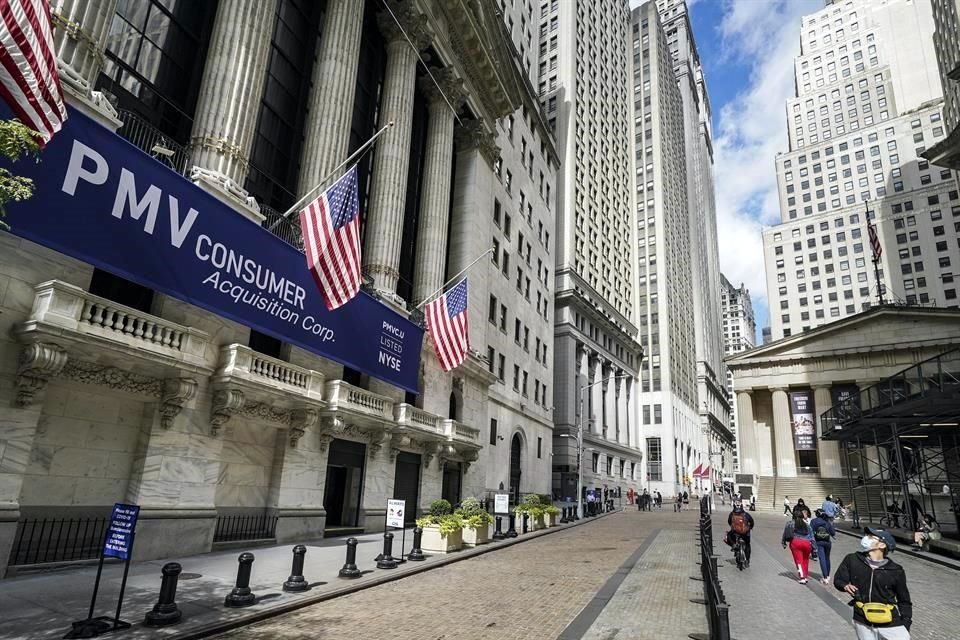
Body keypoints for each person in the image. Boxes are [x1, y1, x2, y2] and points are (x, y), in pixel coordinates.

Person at [834, 527, 912, 639]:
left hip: (889, 620)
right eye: (867, 535)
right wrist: (845, 586)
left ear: (882, 545)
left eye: (871, 537)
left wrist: (906, 623)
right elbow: (838, 580)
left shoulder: (896, 570)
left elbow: (904, 600)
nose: (866, 538)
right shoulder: (852, 559)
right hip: (862, 619)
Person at [782, 510, 815, 584]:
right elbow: (812, 537)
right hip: (807, 543)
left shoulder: (790, 523)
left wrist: (783, 542)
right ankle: (806, 577)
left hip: (796, 542)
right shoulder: (807, 525)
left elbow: (785, 533)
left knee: (799, 561)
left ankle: (802, 577)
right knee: (805, 560)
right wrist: (814, 548)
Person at [811, 509, 837, 584]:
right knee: (827, 558)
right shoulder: (827, 521)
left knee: (822, 559)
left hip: (819, 541)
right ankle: (828, 575)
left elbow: (810, 531)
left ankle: (825, 577)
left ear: (817, 514)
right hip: (827, 541)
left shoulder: (814, 521)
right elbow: (833, 532)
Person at [726, 499, 755, 565]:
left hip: (735, 532)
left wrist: (733, 527)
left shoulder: (731, 514)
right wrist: (750, 527)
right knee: (747, 545)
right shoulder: (746, 514)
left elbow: (729, 522)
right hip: (745, 533)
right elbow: (752, 521)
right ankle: (747, 560)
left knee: (728, 535)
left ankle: (733, 544)